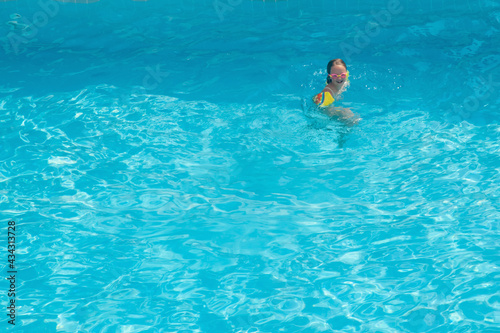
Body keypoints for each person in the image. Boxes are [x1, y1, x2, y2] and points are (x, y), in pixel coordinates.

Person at [313, 58, 357, 123]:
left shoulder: (345, 76)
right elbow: (321, 108)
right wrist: (340, 112)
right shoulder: (328, 92)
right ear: (330, 76)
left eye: (342, 75)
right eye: (334, 76)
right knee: (350, 118)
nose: (339, 78)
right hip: (322, 104)